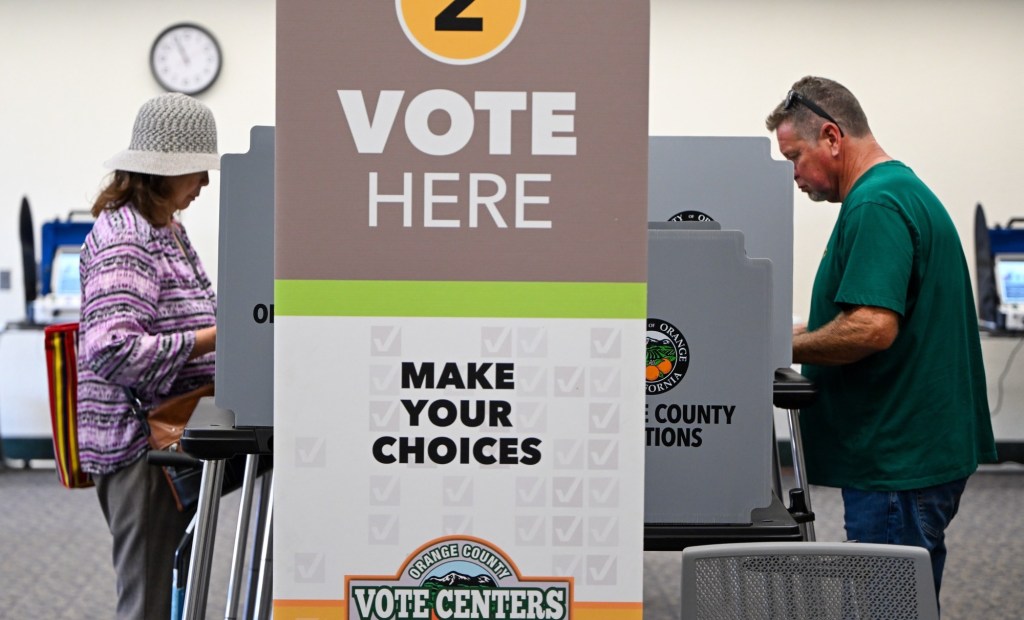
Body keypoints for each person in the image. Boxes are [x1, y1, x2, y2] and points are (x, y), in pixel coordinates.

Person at [765, 76, 997, 601]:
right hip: (909, 456)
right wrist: (787, 332)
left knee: (886, 607)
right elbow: (866, 316)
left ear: (832, 137)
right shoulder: (897, 190)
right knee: (906, 602)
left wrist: (777, 348)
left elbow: (871, 327)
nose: (793, 174)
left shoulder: (876, 204)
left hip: (896, 463)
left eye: (795, 157)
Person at [77, 92, 219, 619]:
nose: (204, 183)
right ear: (167, 170)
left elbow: (196, 308)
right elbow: (113, 350)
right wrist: (213, 338)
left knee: (165, 590)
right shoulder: (127, 239)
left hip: (164, 439)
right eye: (198, 170)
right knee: (146, 603)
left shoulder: (166, 230)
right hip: (139, 447)